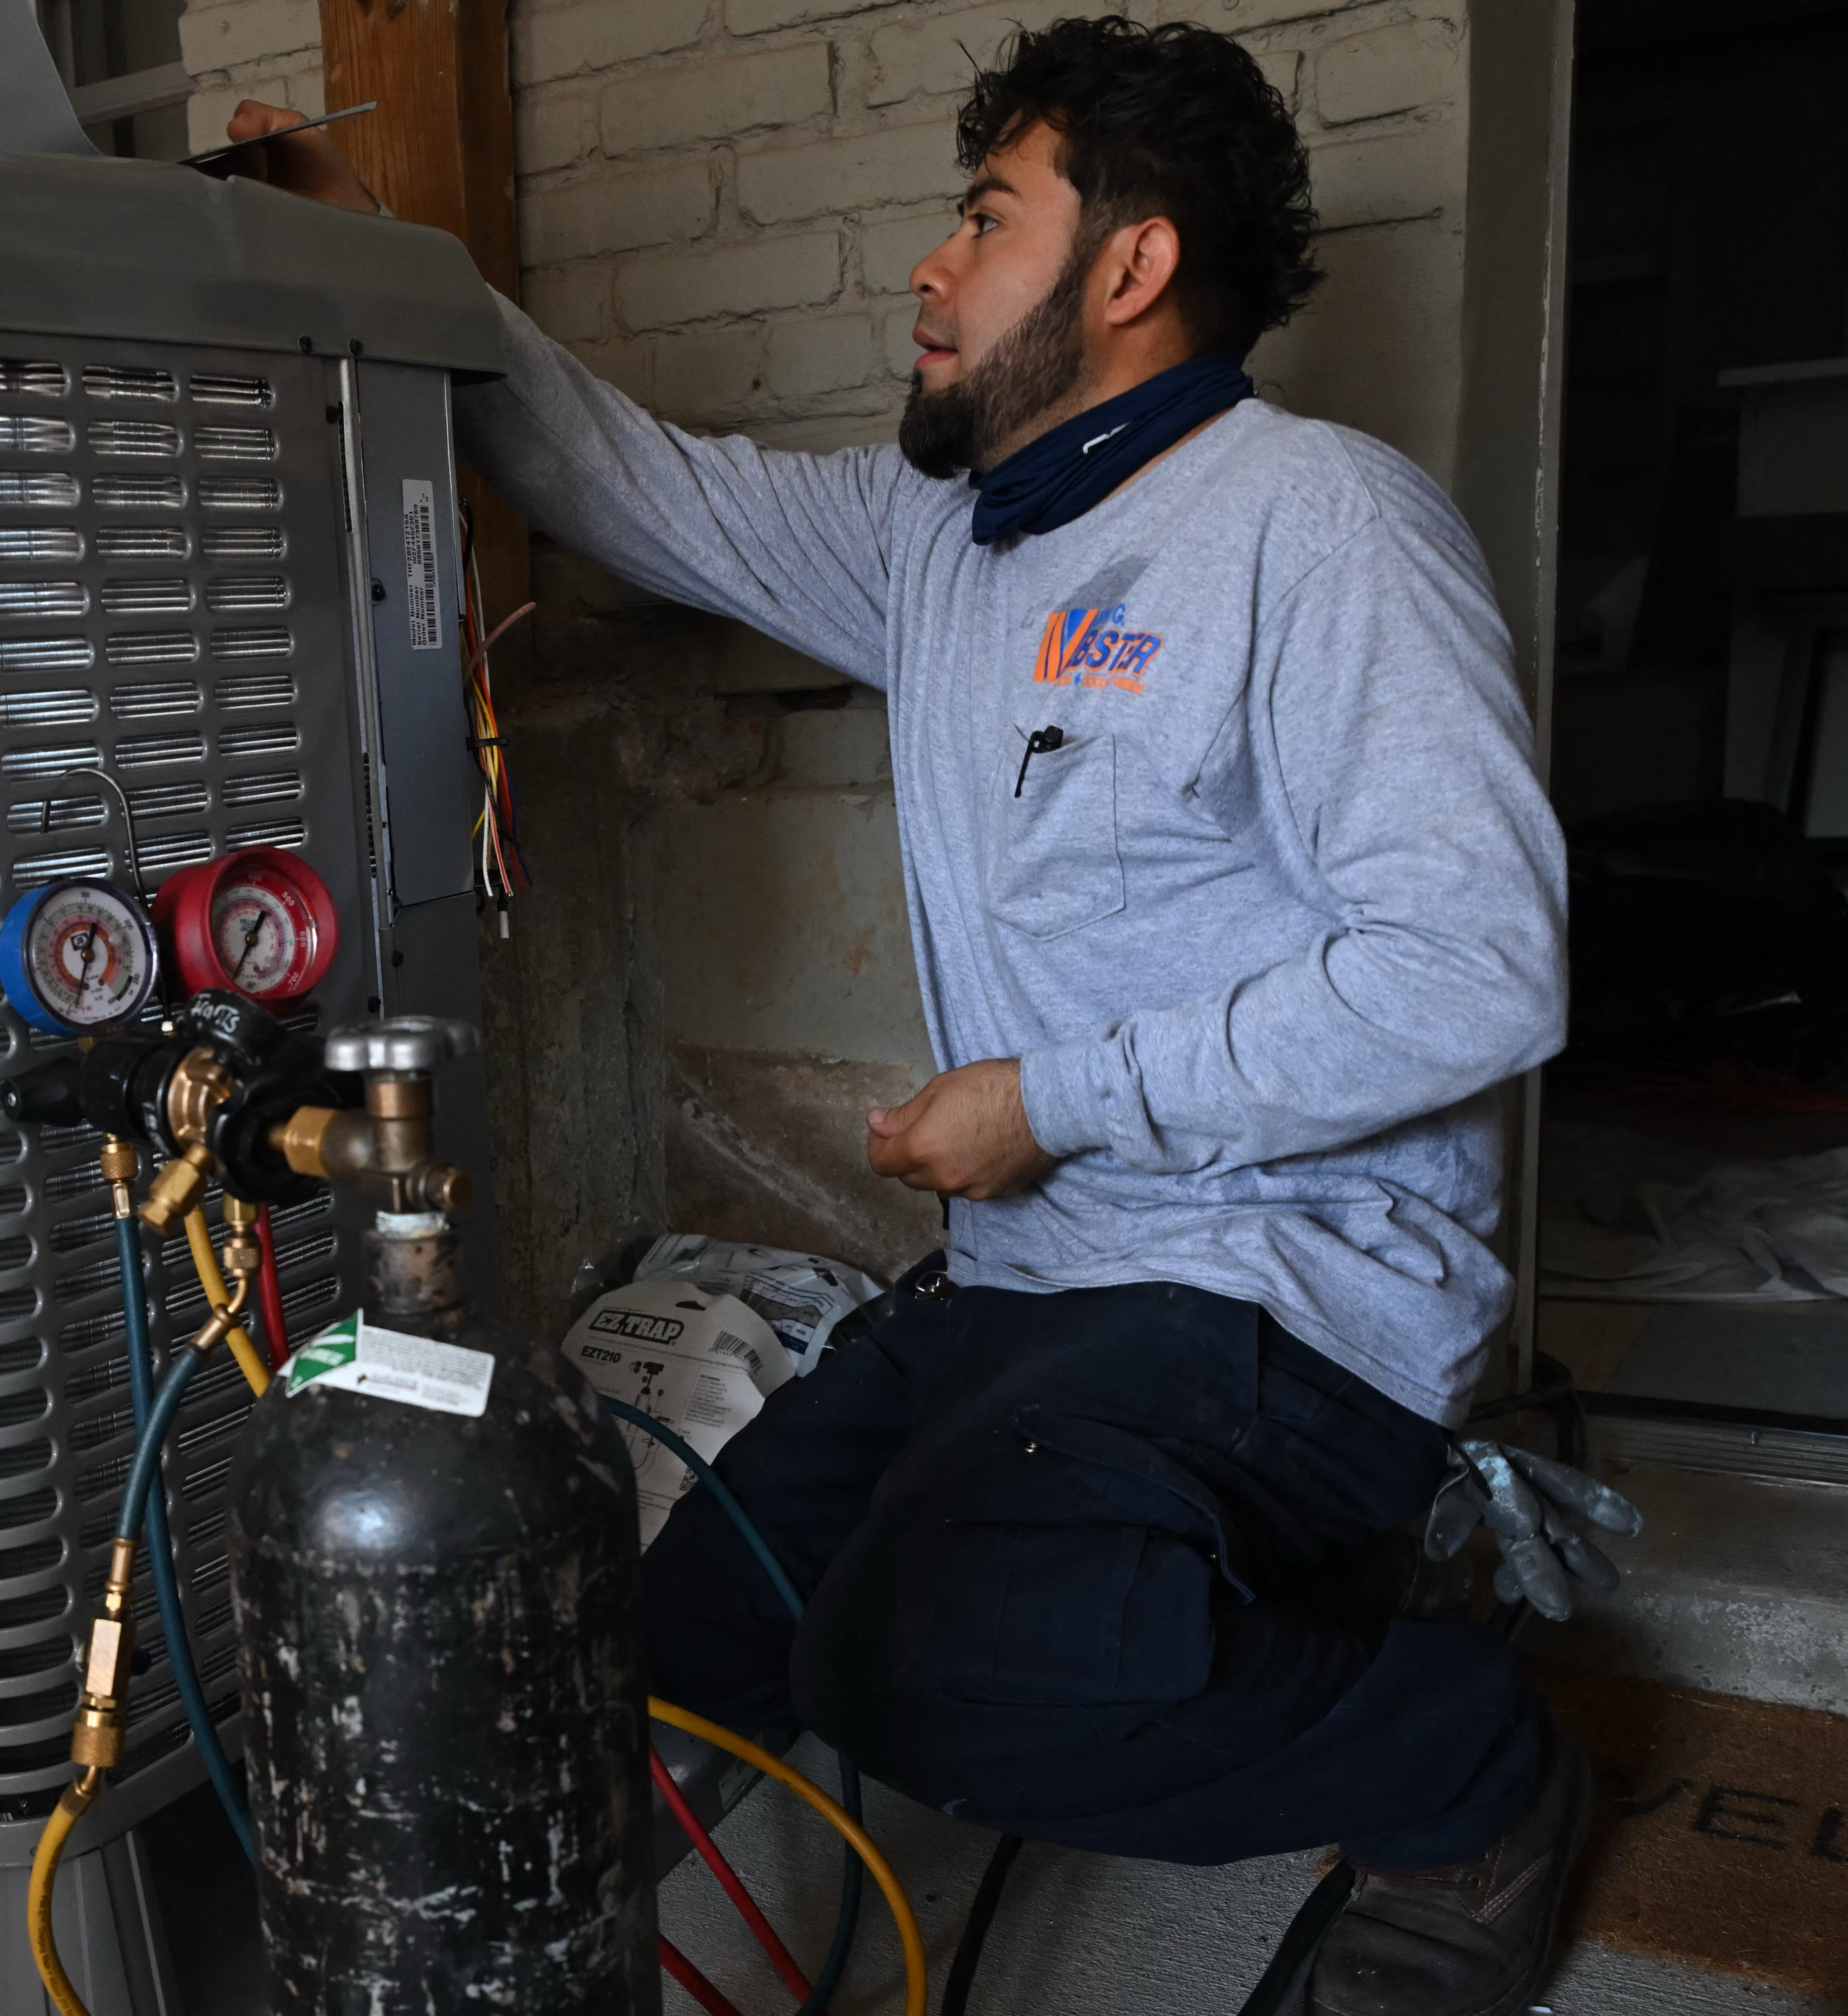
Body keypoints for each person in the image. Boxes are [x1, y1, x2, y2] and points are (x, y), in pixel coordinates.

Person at [227, 17, 1580, 2013]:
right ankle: (1160, 1588)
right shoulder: (941, 546)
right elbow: (615, 471)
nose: (926, 274)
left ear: (1129, 269)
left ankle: (1470, 1768)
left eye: (981, 220)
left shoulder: (1320, 524)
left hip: (1293, 1294)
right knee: (681, 1635)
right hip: (1038, 1290)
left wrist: (1053, 1099)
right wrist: (388, 265)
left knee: (926, 1667)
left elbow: (1480, 966)